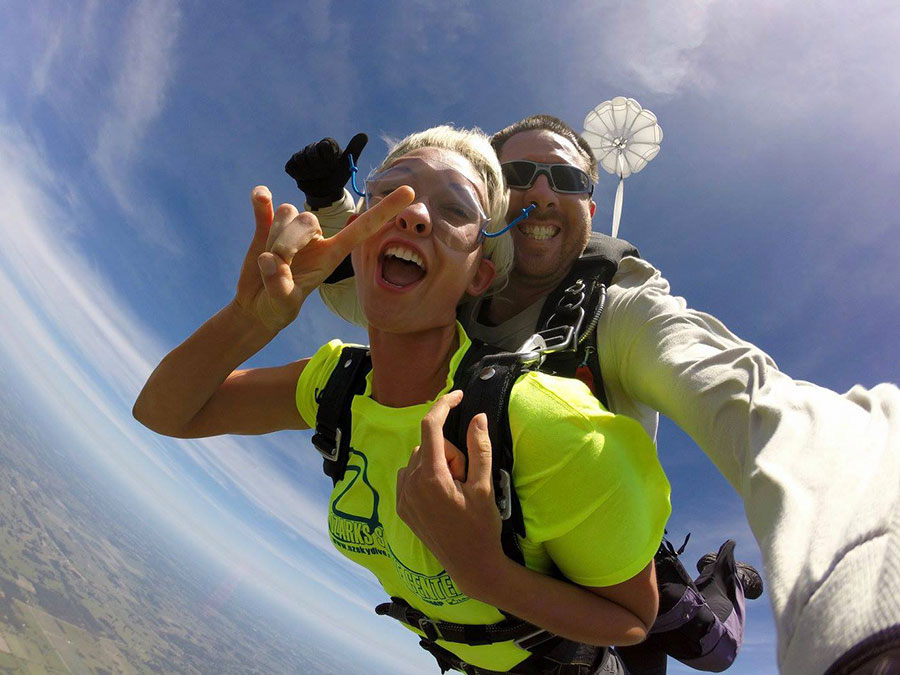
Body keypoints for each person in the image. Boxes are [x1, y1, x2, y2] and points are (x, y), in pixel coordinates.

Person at [290, 117, 900, 675]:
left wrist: (867, 582)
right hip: (528, 562)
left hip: (612, 556)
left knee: (708, 648)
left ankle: (728, 581)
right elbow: (363, 292)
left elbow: (755, 402)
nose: (541, 193)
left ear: (590, 204)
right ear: (491, 204)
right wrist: (335, 204)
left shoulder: (623, 314)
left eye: (566, 178)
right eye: (518, 175)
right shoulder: (454, 285)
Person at [134, 125, 673, 674]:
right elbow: (162, 413)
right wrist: (249, 321)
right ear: (360, 232)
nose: (415, 216)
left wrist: (484, 572)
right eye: (396, 193)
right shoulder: (337, 383)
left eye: (455, 210)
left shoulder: (545, 422)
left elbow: (632, 620)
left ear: (479, 275)